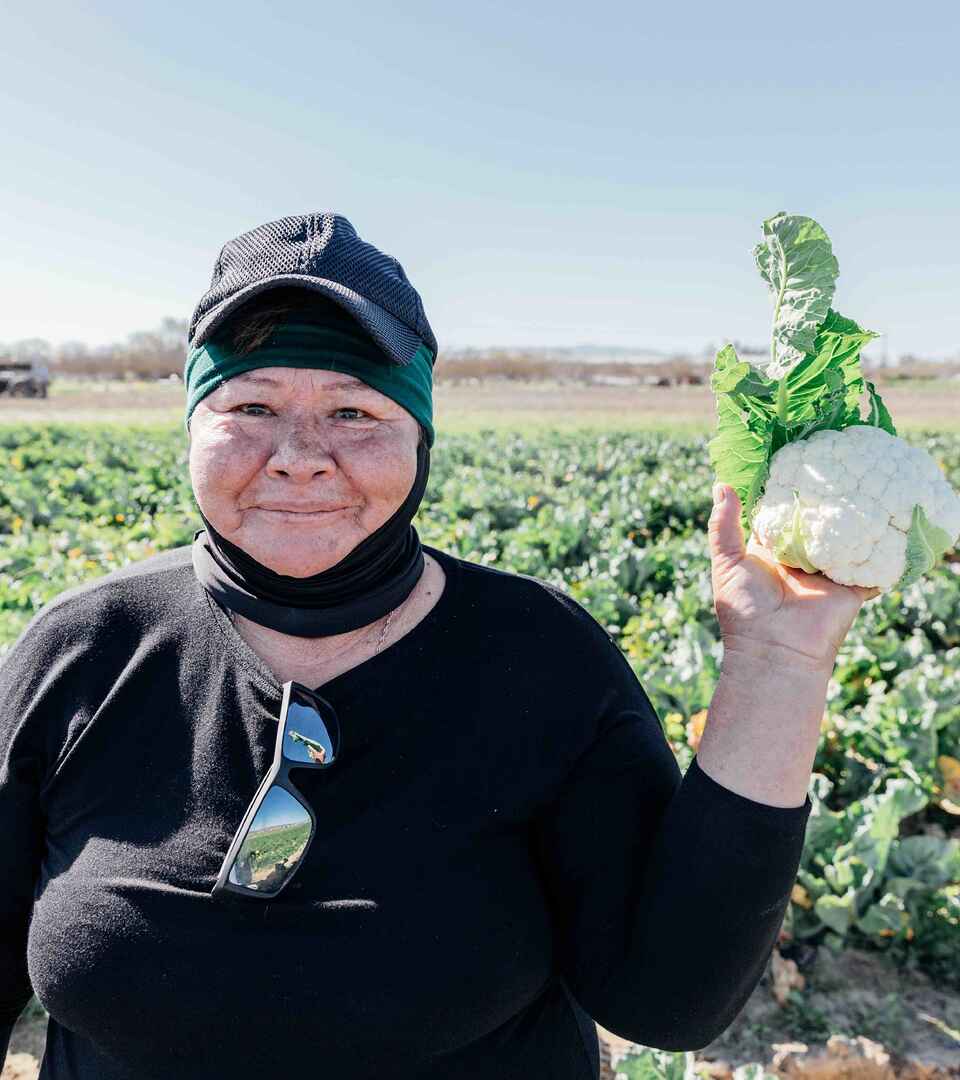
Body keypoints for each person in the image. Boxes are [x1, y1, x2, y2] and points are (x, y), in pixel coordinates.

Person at [0, 211, 880, 1079]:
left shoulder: (540, 659)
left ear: (422, 435)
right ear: (193, 423)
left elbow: (670, 1002)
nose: (299, 455)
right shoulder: (83, 649)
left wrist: (778, 665)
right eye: (251, 405)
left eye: (353, 410)